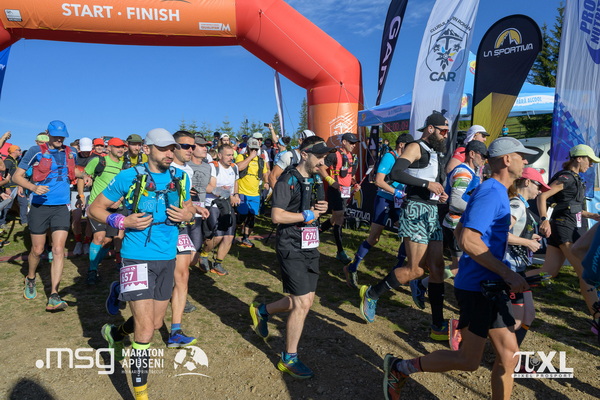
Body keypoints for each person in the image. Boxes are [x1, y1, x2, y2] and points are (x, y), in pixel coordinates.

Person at [383, 136, 534, 400]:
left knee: (509, 357)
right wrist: (506, 272)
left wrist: (497, 271)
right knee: (468, 360)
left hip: (491, 286)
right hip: (477, 289)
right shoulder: (491, 192)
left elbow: (461, 228)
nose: (526, 161)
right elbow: (467, 239)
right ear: (507, 159)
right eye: (522, 156)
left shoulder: (495, 190)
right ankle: (400, 367)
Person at [92, 128, 195, 400]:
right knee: (146, 330)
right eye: (163, 148)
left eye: (172, 148)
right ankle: (141, 394)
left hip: (167, 257)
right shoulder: (129, 176)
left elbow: (189, 207)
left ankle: (115, 333)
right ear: (147, 149)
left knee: (156, 322)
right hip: (136, 256)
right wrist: (121, 221)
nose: (169, 153)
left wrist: (188, 214)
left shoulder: (181, 177)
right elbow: (95, 208)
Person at [358, 113, 449, 343]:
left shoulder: (436, 152)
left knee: (437, 268)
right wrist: (427, 184)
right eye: (443, 130)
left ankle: (437, 324)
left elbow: (430, 182)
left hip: (432, 211)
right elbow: (395, 173)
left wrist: (439, 193)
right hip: (416, 210)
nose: (446, 135)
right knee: (415, 270)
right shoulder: (415, 147)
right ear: (430, 128)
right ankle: (372, 293)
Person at [249, 135, 331, 379]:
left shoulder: (315, 178)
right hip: (290, 245)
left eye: (325, 157)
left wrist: (322, 209)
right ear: (304, 154)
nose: (323, 162)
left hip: (310, 244)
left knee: (306, 300)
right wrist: (306, 215)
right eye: (319, 157)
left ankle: (263, 311)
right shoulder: (287, 179)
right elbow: (277, 216)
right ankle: (289, 358)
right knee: (301, 303)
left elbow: (316, 208)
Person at [14, 120, 90, 311]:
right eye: (56, 136)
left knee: (58, 249)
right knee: (38, 250)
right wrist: (33, 188)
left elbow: (73, 171)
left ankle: (54, 295)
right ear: (48, 134)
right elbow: (16, 176)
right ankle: (31, 277)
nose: (59, 139)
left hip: (61, 207)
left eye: (62, 136)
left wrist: (83, 177)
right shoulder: (35, 151)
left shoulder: (70, 152)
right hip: (39, 206)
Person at [410, 140, 487, 309]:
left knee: (460, 266)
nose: (484, 160)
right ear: (472, 154)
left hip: (460, 224)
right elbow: (456, 202)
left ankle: (422, 284)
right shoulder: (463, 172)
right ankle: (460, 302)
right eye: (482, 156)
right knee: (462, 267)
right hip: (456, 225)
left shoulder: (471, 172)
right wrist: (479, 212)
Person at [530, 144, 600, 319]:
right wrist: (544, 219)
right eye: (590, 160)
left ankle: (507, 280)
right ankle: (597, 317)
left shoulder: (575, 179)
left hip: (565, 226)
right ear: (579, 158)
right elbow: (542, 196)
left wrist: (592, 215)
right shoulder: (566, 177)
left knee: (549, 271)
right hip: (564, 228)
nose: (591, 164)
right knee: (584, 273)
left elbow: (571, 208)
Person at [344, 133, 413, 288]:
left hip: (398, 202)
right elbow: (378, 181)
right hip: (384, 199)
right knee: (374, 238)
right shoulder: (389, 157)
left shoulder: (405, 160)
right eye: (410, 147)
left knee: (407, 233)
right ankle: (352, 267)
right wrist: (396, 192)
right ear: (401, 145)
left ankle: (397, 271)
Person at [167, 131, 210, 346]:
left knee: (183, 274)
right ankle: (120, 288)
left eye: (192, 146)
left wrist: (195, 209)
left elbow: (186, 202)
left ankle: (175, 330)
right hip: (158, 230)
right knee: (158, 279)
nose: (191, 150)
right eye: (186, 146)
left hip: (180, 228)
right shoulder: (163, 169)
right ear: (173, 147)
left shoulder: (186, 172)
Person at [501, 167, 549, 351]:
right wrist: (527, 242)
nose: (540, 192)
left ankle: (513, 355)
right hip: (510, 268)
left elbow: (514, 232)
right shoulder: (516, 204)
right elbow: (500, 233)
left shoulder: (522, 205)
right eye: (539, 187)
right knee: (516, 320)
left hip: (519, 268)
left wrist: (528, 237)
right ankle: (466, 331)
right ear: (527, 182)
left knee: (529, 315)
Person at [84, 137, 127, 284]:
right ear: (109, 148)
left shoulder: (124, 165)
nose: (120, 149)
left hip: (114, 207)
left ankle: (95, 264)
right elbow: (84, 175)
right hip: (97, 206)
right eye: (117, 147)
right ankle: (92, 270)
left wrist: (119, 200)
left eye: (122, 147)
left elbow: (126, 186)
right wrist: (81, 194)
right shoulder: (98, 161)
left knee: (108, 240)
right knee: (99, 237)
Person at [319, 132, 361, 264]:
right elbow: (321, 169)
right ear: (344, 142)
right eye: (351, 143)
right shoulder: (334, 154)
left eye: (355, 143)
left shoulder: (353, 157)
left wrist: (355, 184)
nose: (354, 145)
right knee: (339, 218)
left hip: (346, 192)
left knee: (334, 219)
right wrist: (332, 182)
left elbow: (350, 176)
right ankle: (340, 251)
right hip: (335, 191)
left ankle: (315, 233)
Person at [201, 144, 241, 275]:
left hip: (227, 204)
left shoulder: (234, 167)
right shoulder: (213, 167)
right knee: (217, 236)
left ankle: (217, 264)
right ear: (219, 155)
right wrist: (227, 194)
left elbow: (235, 183)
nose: (231, 158)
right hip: (213, 204)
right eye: (228, 155)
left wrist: (236, 194)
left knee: (229, 236)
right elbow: (211, 187)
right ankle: (204, 254)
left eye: (232, 155)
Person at [235, 138, 269, 248]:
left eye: (256, 149)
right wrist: (250, 157)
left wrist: (266, 182)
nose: (254, 151)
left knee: (251, 217)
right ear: (248, 148)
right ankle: (231, 234)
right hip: (242, 192)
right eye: (252, 148)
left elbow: (265, 173)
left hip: (255, 193)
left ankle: (246, 238)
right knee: (241, 216)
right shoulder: (241, 157)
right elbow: (238, 168)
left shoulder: (261, 161)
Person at [71, 137, 94, 256]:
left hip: (91, 191)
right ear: (79, 148)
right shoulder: (74, 157)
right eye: (84, 150)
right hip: (76, 191)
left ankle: (86, 242)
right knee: (76, 219)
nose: (86, 153)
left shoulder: (95, 158)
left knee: (90, 219)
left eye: (88, 150)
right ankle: (78, 242)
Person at [0, 144, 28, 227]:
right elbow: (4, 175)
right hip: (10, 187)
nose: (20, 151)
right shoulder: (8, 161)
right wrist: (7, 187)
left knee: (24, 203)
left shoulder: (16, 161)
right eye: (19, 150)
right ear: (13, 151)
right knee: (7, 205)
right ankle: (2, 222)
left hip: (18, 186)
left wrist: (20, 185)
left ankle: (24, 221)